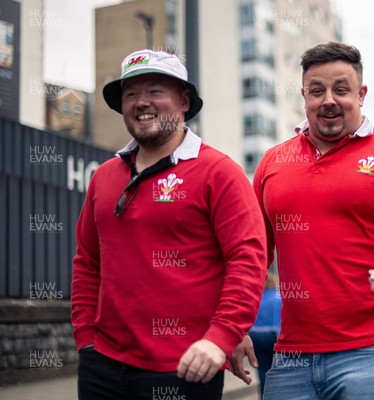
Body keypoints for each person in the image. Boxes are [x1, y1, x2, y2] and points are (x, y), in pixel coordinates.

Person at [237, 42, 374, 400]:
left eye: (341, 89)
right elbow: (250, 253)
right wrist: (233, 325)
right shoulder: (272, 162)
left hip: (373, 351)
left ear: (361, 94)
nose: (328, 100)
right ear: (304, 95)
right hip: (290, 355)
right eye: (317, 90)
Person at [71, 50, 267, 399]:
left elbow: (247, 261)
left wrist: (221, 338)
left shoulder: (218, 173)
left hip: (187, 367)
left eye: (155, 91)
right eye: (131, 94)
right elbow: (87, 262)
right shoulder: (103, 177)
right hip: (102, 367)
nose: (141, 102)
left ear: (183, 100)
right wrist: (86, 338)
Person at [248, 272, 282, 397]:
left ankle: (264, 395)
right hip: (272, 337)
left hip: (255, 337)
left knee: (262, 370)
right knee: (277, 371)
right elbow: (278, 321)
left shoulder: (256, 298)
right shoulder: (278, 297)